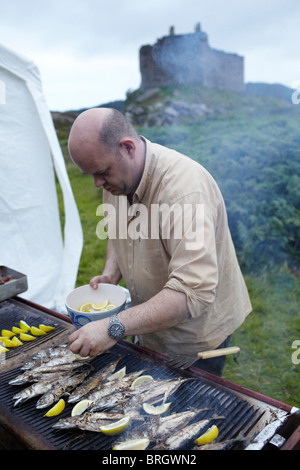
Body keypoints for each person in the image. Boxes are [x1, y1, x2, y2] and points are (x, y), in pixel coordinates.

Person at [68, 107, 252, 376]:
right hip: (145, 329)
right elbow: (119, 228)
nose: (97, 183)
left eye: (102, 172)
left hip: (193, 340)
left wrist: (113, 326)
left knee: (190, 410)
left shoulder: (184, 192)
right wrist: (111, 273)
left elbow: (191, 292)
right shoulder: (118, 180)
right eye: (91, 175)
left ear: (128, 148)